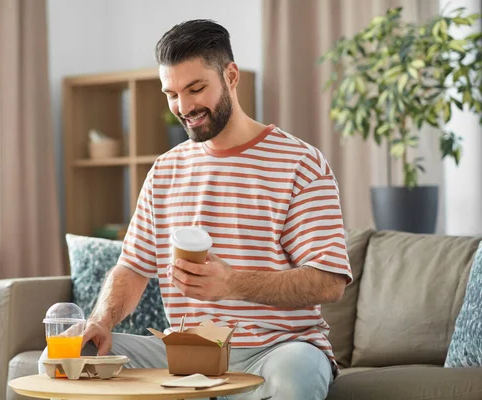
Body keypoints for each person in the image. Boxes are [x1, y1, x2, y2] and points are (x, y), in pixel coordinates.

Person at [39, 19, 352, 400]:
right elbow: (133, 268)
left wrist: (232, 282)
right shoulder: (165, 171)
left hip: (277, 351)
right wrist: (100, 320)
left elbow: (329, 281)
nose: (183, 107)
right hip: (186, 356)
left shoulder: (300, 164)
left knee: (296, 374)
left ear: (231, 76)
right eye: (171, 93)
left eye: (196, 88)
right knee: (66, 363)